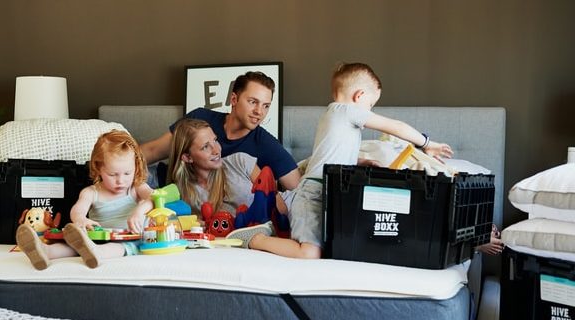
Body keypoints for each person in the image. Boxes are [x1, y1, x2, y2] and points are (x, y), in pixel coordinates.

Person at [226, 62, 454, 259]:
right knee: (310, 253)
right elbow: (395, 127)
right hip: (313, 194)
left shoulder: (334, 117)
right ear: (359, 97)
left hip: (331, 194)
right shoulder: (345, 111)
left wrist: (361, 162)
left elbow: (333, 154)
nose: (370, 111)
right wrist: (426, 143)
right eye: (371, 106)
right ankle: (256, 239)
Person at [16, 130, 155, 270]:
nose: (121, 180)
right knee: (76, 245)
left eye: (127, 173)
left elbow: (155, 196)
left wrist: (140, 210)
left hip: (130, 239)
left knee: (118, 247)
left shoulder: (137, 188)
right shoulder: (91, 192)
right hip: (96, 238)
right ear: (98, 167)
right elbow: (78, 210)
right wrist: (80, 219)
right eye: (112, 174)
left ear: (136, 167)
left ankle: (97, 253)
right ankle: (44, 250)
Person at [141, 71, 300, 191]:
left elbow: (297, 189)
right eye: (253, 102)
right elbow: (153, 150)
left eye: (266, 105)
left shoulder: (266, 144)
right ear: (233, 99)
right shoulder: (200, 118)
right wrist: (120, 169)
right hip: (162, 187)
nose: (260, 111)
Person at [167, 118, 288, 232]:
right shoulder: (185, 193)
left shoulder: (240, 161)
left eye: (215, 140)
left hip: (283, 216)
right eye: (205, 147)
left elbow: (280, 206)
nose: (216, 150)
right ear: (187, 157)